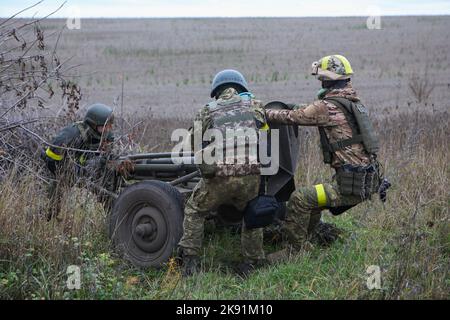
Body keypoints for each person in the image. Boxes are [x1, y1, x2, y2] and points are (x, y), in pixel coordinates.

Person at [264, 55, 386, 254]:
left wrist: (263, 112)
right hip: (366, 181)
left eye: (321, 79)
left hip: (348, 186)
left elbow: (292, 117)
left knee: (299, 198)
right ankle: (305, 242)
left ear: (328, 80)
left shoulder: (327, 106)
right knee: (312, 203)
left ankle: (293, 252)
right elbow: (307, 110)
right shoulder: (353, 103)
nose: (320, 83)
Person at [177, 69, 270, 276]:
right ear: (242, 88)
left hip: (220, 178)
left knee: (194, 210)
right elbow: (264, 134)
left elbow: (192, 143)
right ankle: (252, 263)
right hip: (250, 175)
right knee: (251, 215)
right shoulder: (256, 105)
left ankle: (190, 263)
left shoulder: (208, 110)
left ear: (217, 91)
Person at [43, 103, 115, 219]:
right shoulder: (71, 134)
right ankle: (46, 216)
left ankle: (113, 218)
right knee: (53, 198)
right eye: (105, 125)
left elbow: (110, 155)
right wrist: (73, 172)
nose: (108, 129)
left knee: (109, 191)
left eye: (110, 126)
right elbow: (51, 160)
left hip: (90, 172)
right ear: (93, 124)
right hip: (66, 171)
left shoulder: (106, 136)